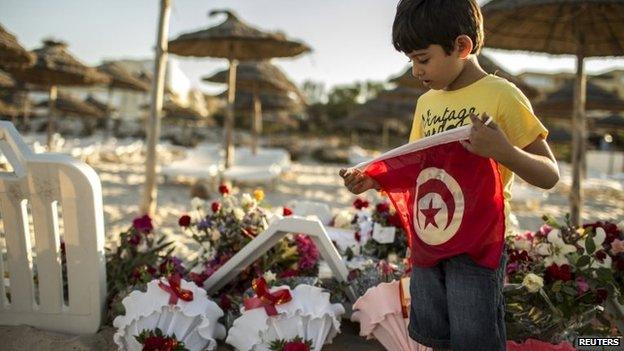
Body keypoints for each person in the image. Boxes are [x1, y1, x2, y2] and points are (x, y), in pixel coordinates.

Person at [339, 1, 560, 350]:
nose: (415, 71)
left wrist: (503, 150)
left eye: (423, 59)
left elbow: (549, 175)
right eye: (410, 60)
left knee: (475, 336)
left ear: (462, 46)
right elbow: (416, 168)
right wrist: (374, 180)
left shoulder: (502, 95)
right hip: (431, 239)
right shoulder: (426, 103)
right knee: (433, 334)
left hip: (478, 244)